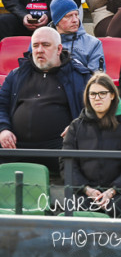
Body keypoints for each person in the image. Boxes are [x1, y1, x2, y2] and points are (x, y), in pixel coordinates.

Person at [0, 26, 91, 174]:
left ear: (59, 49)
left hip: (59, 150)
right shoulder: (16, 75)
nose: (39, 50)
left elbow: (96, 108)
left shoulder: (79, 76)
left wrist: (78, 125)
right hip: (15, 147)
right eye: (35, 45)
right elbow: (1, 105)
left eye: (46, 45)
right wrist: (3, 129)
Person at [62, 73, 121, 217]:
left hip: (119, 193)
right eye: (92, 94)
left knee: (117, 207)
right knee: (79, 207)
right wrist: (87, 190)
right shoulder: (76, 127)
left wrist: (112, 191)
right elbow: (67, 165)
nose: (97, 98)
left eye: (102, 93)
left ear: (112, 95)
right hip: (84, 192)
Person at [51, 0, 104, 72]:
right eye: (69, 16)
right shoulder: (41, 41)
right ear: (57, 21)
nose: (75, 20)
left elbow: (97, 79)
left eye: (76, 15)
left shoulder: (93, 44)